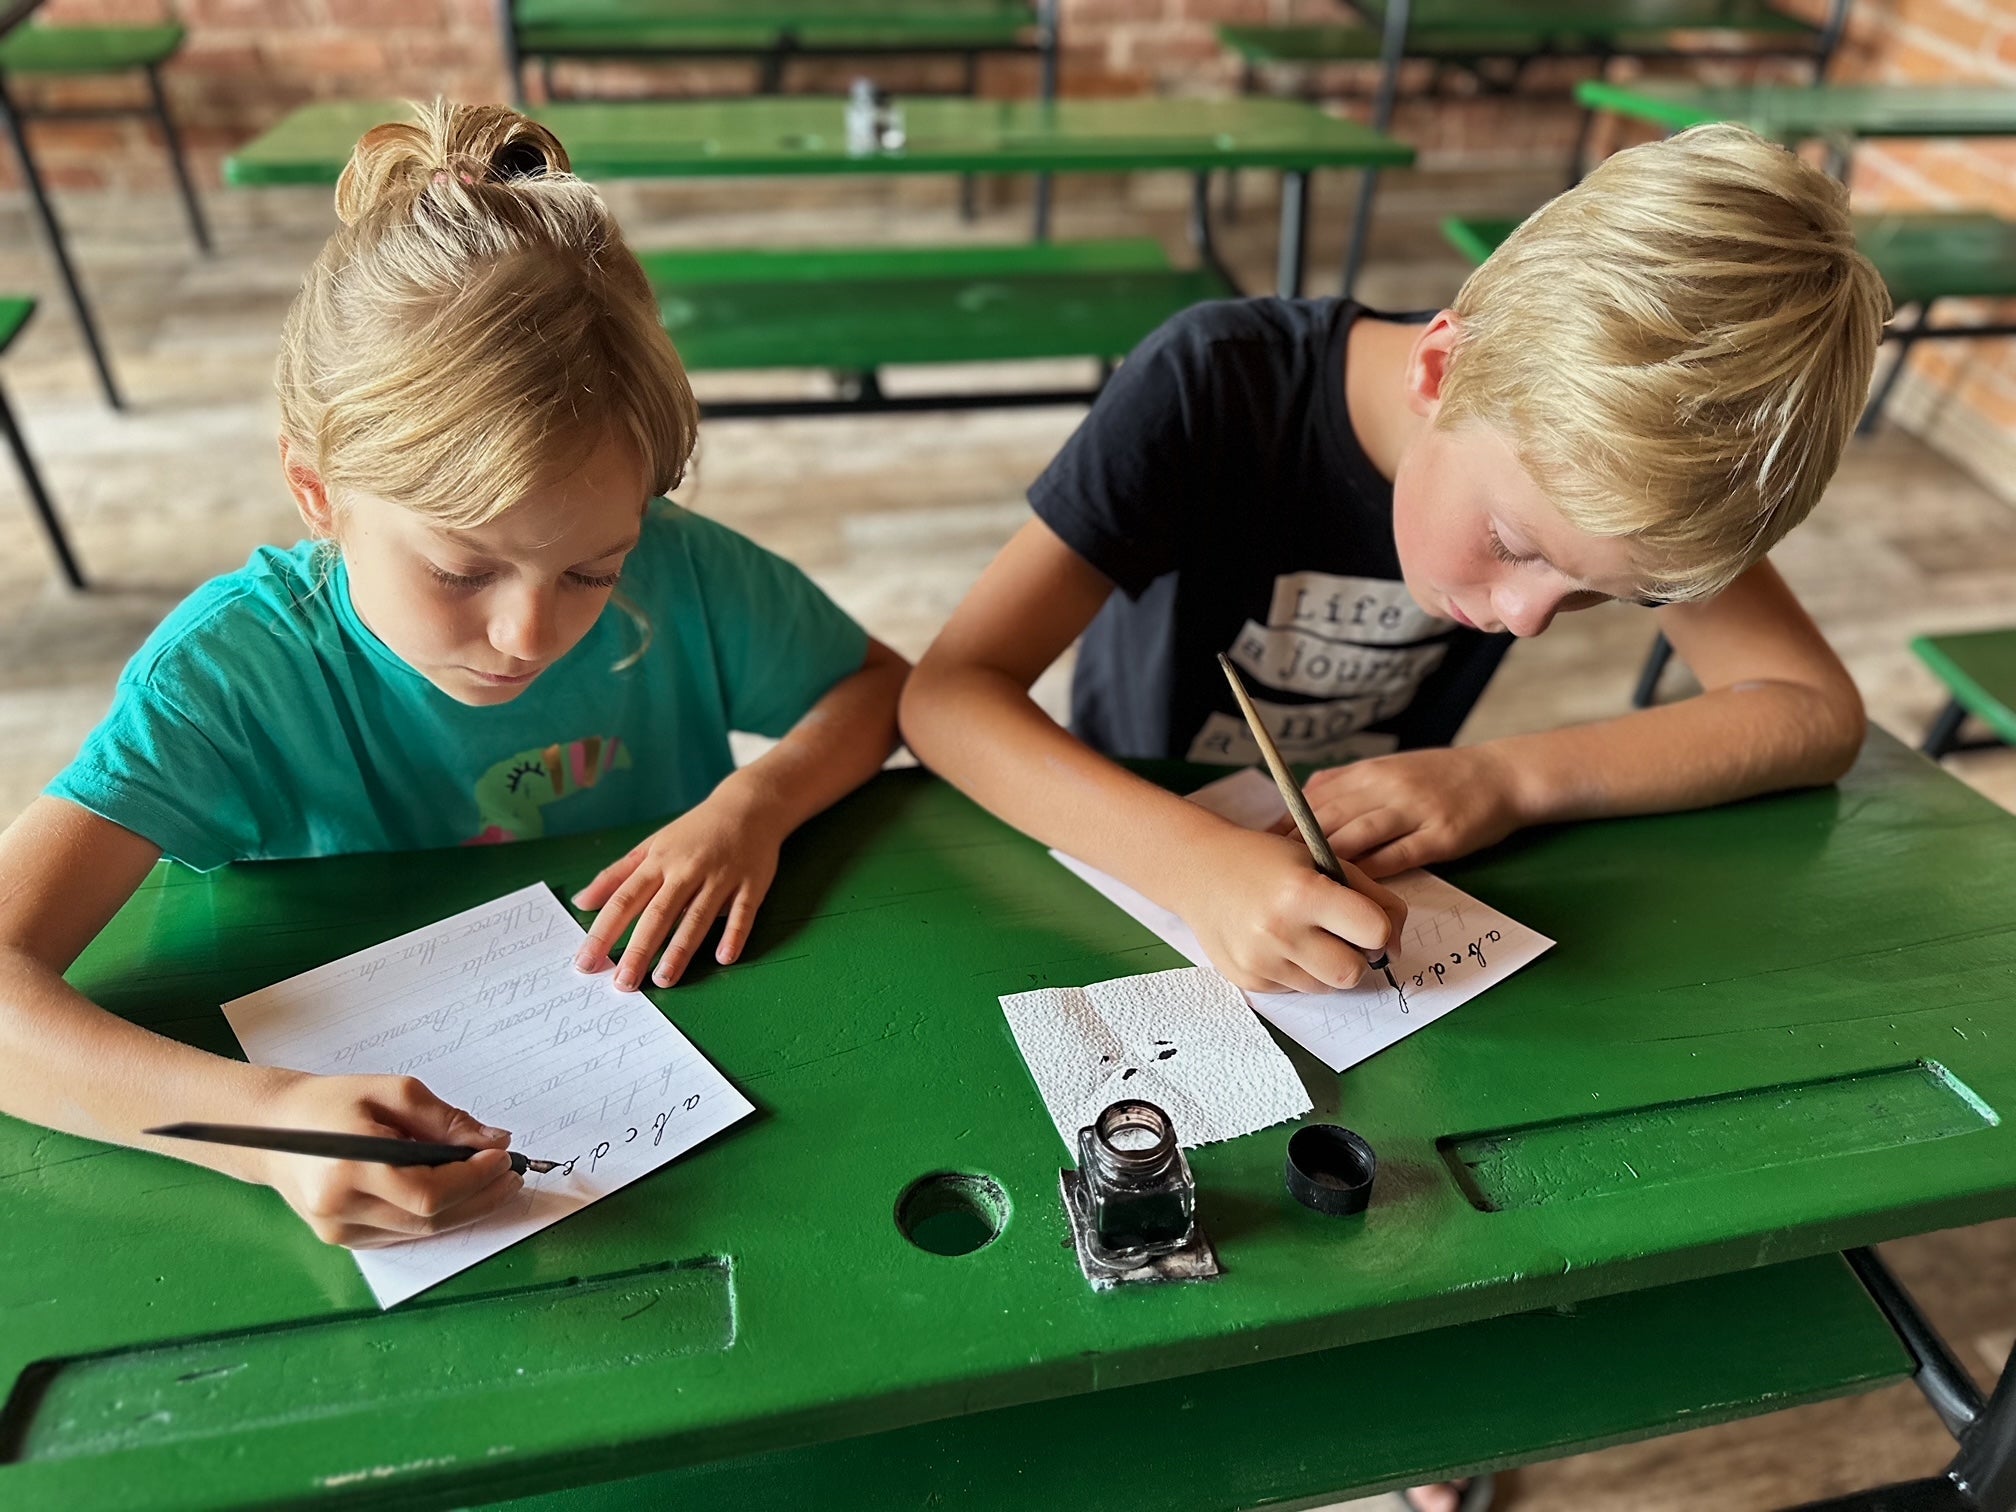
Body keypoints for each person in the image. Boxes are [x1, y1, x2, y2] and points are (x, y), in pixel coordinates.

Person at [0, 102, 906, 1251]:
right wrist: (266, 1125)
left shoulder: (681, 572)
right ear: (318, 490)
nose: (528, 633)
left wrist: (754, 803)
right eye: (459, 568)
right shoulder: (234, 675)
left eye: (591, 568)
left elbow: (879, 688)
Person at [902, 122, 1882, 1035]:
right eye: (1513, 541)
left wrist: (1505, 776)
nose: (1528, 619)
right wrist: (1194, 867)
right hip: (1127, 823)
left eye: (1611, 595)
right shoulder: (1210, 385)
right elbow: (948, 696)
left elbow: (1812, 711)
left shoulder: (1637, 473)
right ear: (1439, 370)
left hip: (1358, 875)